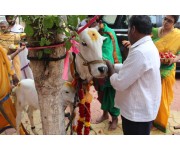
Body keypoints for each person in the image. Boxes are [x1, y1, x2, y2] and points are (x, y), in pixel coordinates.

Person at [105, 15, 161, 135]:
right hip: (144, 108)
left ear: (133, 29)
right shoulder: (147, 46)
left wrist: (110, 69)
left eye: (128, 29)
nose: (127, 33)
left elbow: (120, 83)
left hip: (137, 114)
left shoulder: (140, 52)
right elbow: (132, 70)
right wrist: (115, 66)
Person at [87, 16, 123, 130]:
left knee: (111, 94)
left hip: (109, 67)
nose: (89, 24)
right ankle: (105, 114)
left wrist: (95, 60)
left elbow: (108, 53)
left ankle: (115, 118)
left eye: (91, 22)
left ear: (99, 21)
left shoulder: (109, 33)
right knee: (101, 93)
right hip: (97, 66)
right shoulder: (91, 32)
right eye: (87, 21)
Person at [152, 15, 180, 132]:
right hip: (153, 68)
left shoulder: (178, 35)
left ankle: (160, 122)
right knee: (152, 95)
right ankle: (151, 119)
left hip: (167, 69)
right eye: (165, 19)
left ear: (174, 23)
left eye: (170, 21)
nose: (166, 22)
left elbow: (179, 54)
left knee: (163, 97)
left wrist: (174, 59)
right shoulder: (154, 31)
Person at [0, 44, 27, 135]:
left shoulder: (1, 50)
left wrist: (18, 51)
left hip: (4, 96)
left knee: (13, 118)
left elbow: (7, 59)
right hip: (3, 97)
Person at [5, 15, 34, 80]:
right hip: (12, 54)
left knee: (28, 71)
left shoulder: (20, 28)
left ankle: (31, 86)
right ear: (6, 19)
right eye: (9, 18)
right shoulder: (5, 29)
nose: (11, 19)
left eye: (12, 17)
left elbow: (26, 40)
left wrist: (23, 43)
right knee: (17, 72)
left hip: (23, 53)